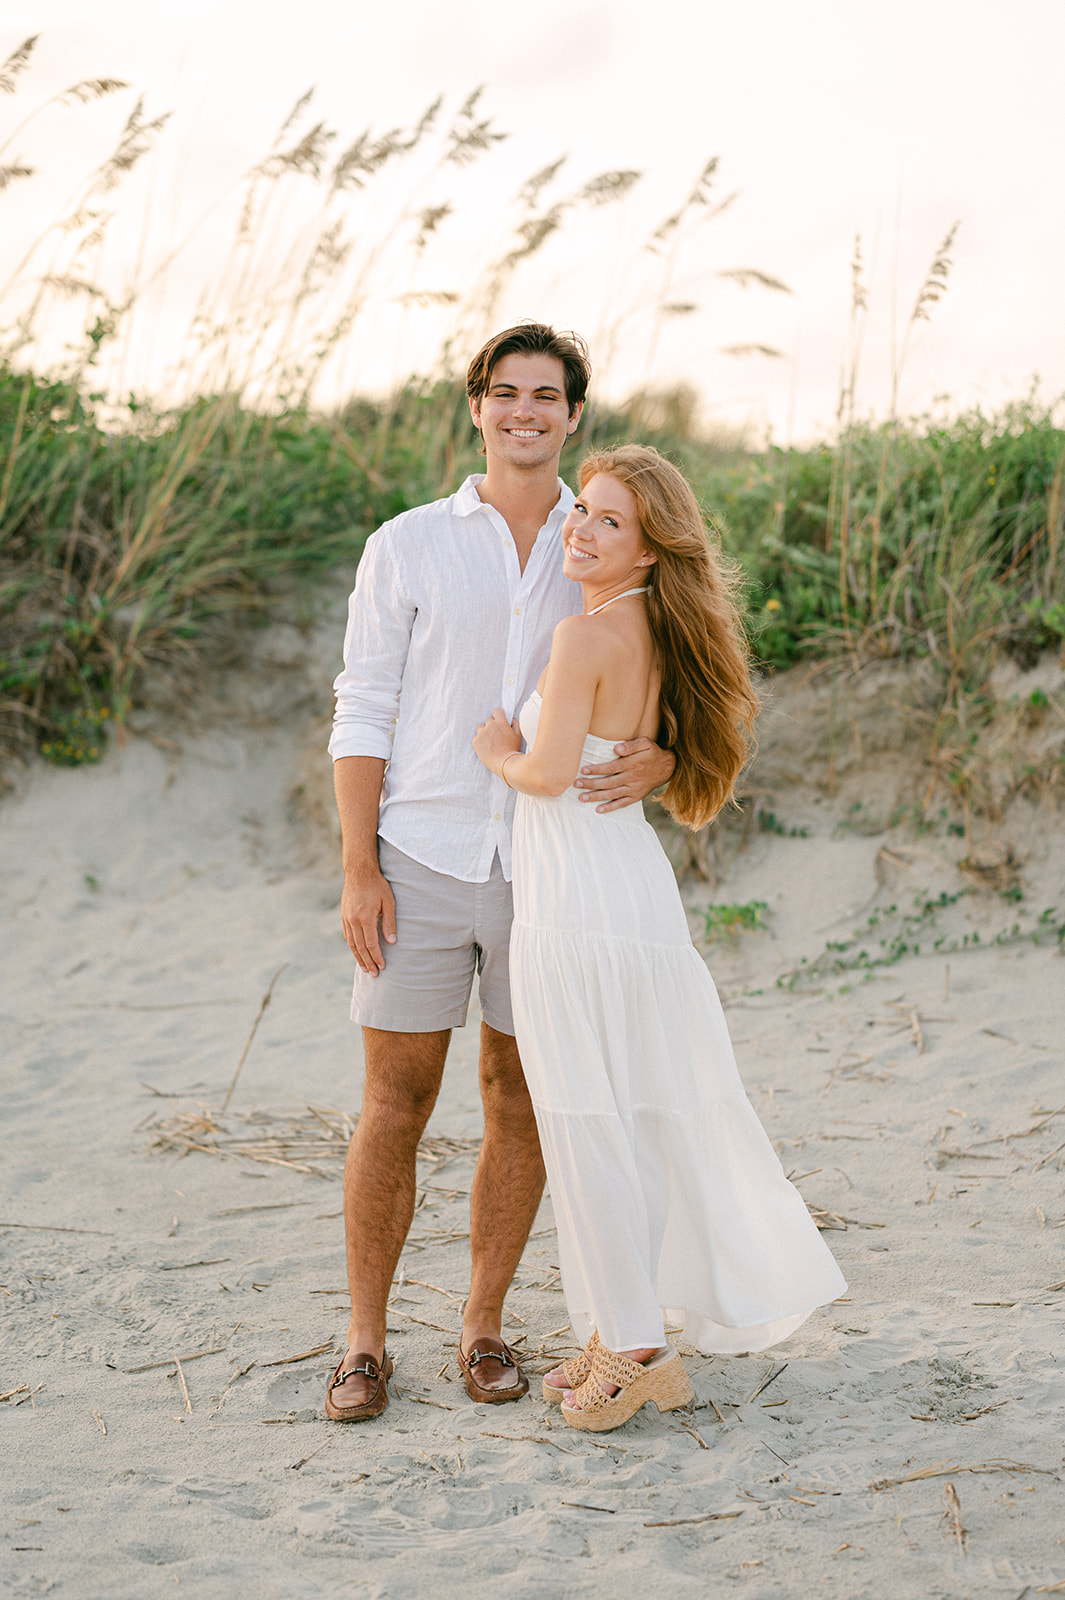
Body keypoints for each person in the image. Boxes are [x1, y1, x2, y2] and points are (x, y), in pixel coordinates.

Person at [325, 326, 676, 1422]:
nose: (527, 411)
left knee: (522, 1099)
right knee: (396, 1100)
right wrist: (357, 865)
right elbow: (363, 705)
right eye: (507, 393)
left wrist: (664, 753)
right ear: (476, 406)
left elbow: (678, 668)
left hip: (547, 871)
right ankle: (365, 1341)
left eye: (549, 395)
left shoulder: (609, 538)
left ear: (575, 414)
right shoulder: (408, 544)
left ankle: (483, 1328)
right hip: (419, 857)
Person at [473, 444, 847, 1433]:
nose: (580, 530)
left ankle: (635, 1345)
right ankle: (615, 1330)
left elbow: (549, 773)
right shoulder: (651, 626)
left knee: (588, 1116)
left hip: (579, 901)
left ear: (647, 552)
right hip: (620, 888)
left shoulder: (586, 636)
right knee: (613, 1114)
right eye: (581, 512)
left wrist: (499, 750)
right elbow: (666, 738)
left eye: (607, 522)